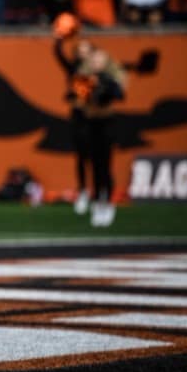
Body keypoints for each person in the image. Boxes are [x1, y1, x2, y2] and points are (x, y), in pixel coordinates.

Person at [72, 49, 126, 227]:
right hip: (91, 122)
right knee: (94, 164)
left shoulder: (112, 76)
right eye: (94, 61)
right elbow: (82, 98)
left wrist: (105, 83)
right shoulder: (83, 76)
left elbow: (119, 95)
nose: (96, 64)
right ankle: (96, 202)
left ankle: (108, 202)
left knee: (106, 164)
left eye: (100, 61)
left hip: (107, 122)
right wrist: (93, 86)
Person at [52, 13, 94, 214]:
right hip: (79, 117)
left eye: (87, 50)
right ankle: (83, 191)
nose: (83, 53)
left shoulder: (97, 70)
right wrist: (60, 37)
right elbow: (58, 53)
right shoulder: (74, 69)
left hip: (95, 117)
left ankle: (99, 192)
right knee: (80, 155)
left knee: (97, 157)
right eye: (81, 50)